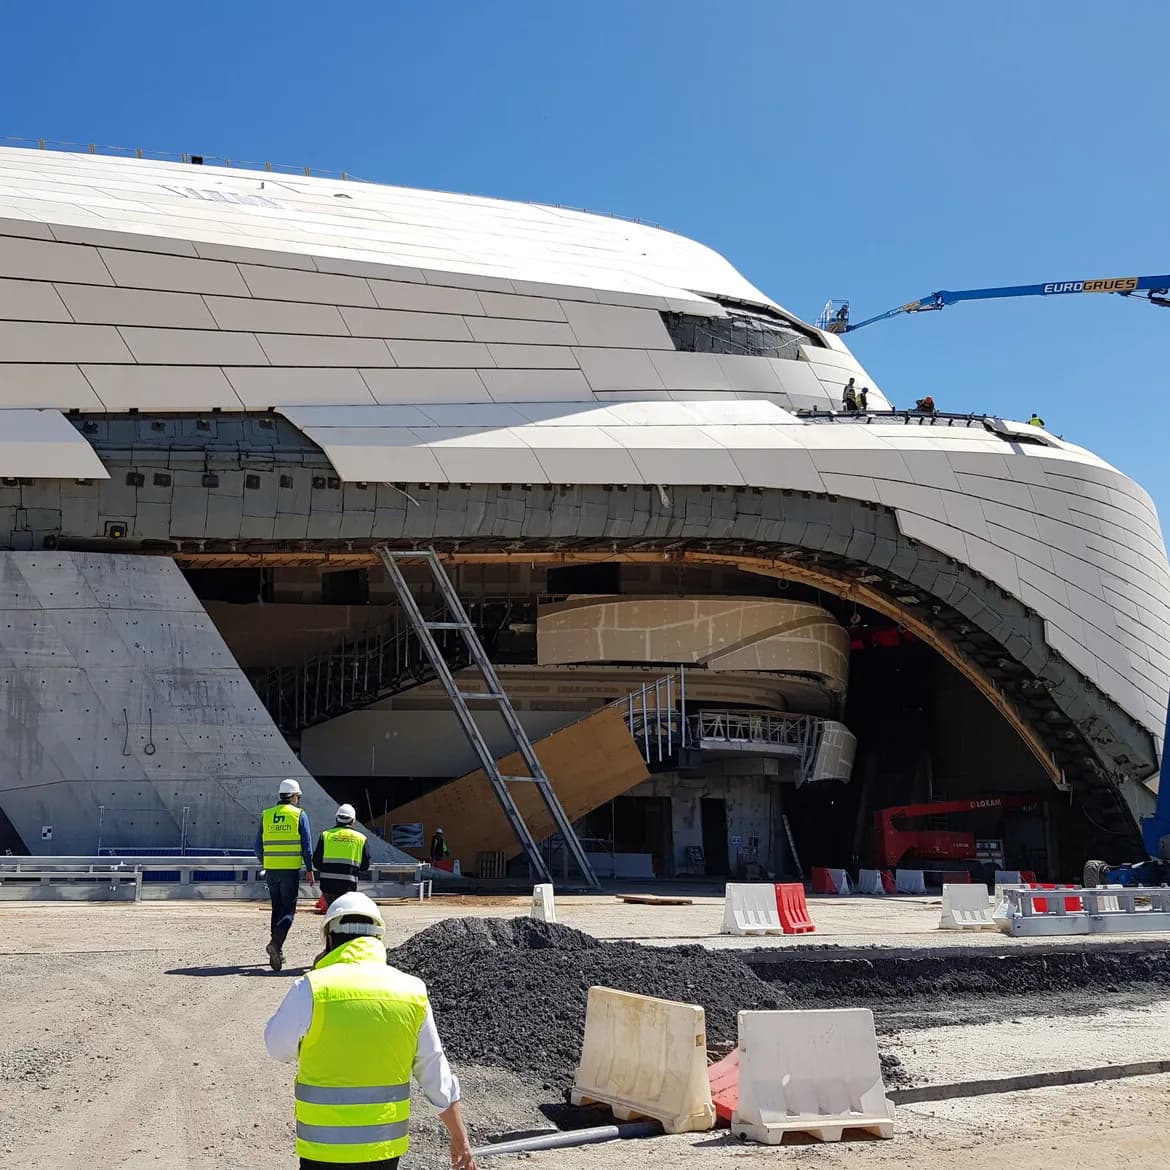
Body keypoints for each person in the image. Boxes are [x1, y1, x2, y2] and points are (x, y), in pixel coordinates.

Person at [265, 892, 477, 1170]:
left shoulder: (313, 988)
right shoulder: (411, 992)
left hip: (323, 1151)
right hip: (383, 1150)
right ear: (378, 938)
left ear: (329, 938)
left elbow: (277, 1048)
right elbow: (435, 1074)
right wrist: (460, 1138)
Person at [257, 778, 314, 972]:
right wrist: (310, 869)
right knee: (288, 911)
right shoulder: (299, 815)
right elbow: (306, 846)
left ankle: (277, 949)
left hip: (271, 870)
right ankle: (275, 943)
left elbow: (257, 846)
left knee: (277, 908)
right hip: (289, 871)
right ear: (294, 796)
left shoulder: (267, 815)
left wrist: (266, 862)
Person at [313, 803, 372, 906]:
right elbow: (365, 866)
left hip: (328, 886)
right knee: (345, 913)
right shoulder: (361, 839)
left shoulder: (325, 835)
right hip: (349, 886)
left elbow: (316, 862)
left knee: (331, 912)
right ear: (353, 821)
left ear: (337, 818)